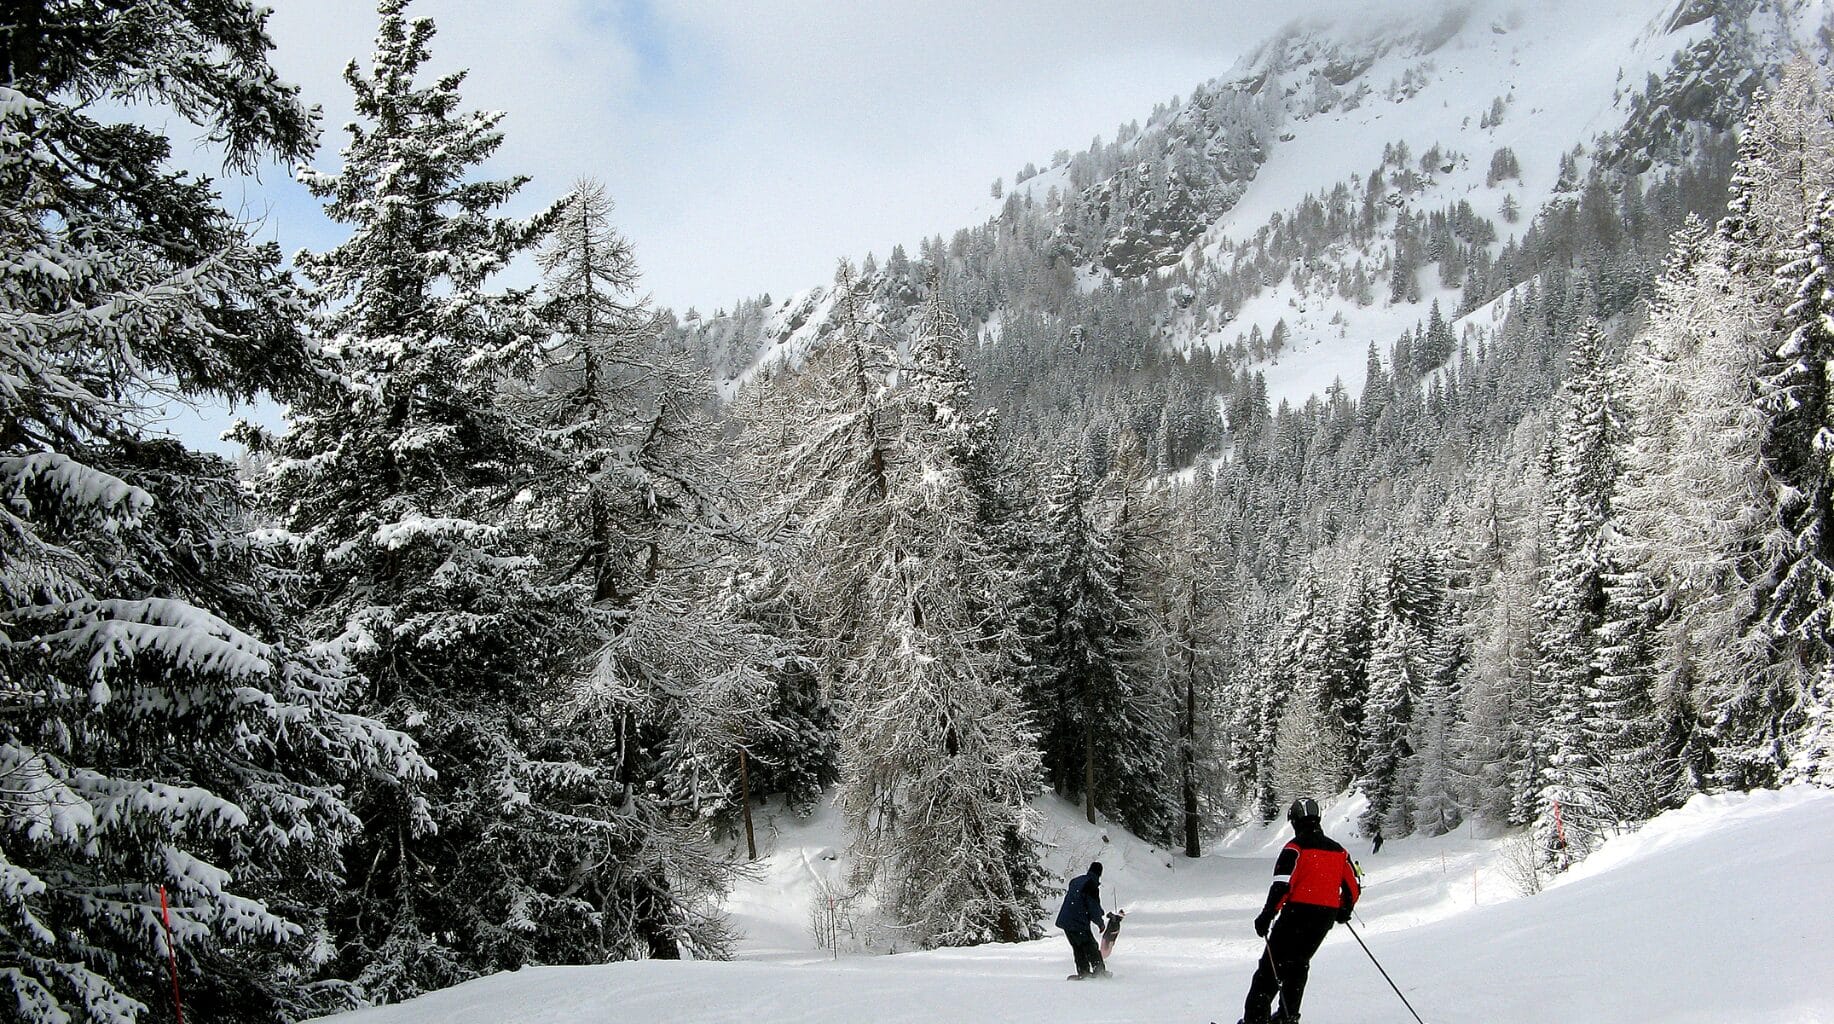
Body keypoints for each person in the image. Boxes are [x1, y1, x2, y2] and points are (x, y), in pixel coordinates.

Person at [1236, 798, 1360, 1024]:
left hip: (1297, 914)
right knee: (1299, 964)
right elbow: (1354, 885)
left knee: (1270, 969)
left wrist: (1267, 915)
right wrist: (1345, 908)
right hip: (1324, 917)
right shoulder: (1339, 850)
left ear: (1294, 821)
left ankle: (1255, 1019)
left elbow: (1281, 885)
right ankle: (1288, 1016)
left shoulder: (1295, 848)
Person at [1056, 860, 1109, 979]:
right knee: (1091, 946)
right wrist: (1100, 923)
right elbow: (1092, 907)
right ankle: (1100, 972)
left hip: (1066, 920)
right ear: (1099, 873)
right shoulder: (1091, 885)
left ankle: (1083, 972)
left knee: (1078, 947)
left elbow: (1080, 900)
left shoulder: (1077, 881)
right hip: (1078, 922)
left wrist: (1099, 911)